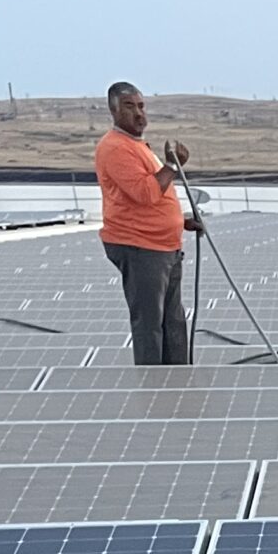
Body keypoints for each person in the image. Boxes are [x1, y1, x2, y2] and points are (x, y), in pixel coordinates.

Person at [96, 83, 200, 366]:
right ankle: (153, 389)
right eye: (130, 107)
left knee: (173, 322)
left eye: (141, 106)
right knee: (150, 325)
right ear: (114, 110)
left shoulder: (136, 146)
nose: (139, 114)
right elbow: (145, 193)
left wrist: (183, 221)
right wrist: (172, 166)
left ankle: (177, 382)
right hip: (140, 246)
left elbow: (156, 195)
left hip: (164, 247)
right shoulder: (115, 148)